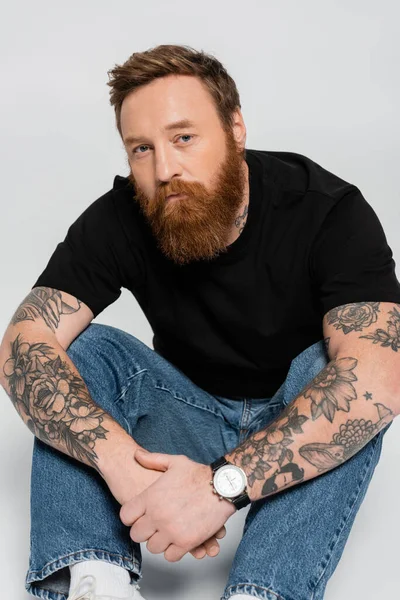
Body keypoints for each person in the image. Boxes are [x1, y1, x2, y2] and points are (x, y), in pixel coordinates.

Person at [1, 43, 400, 600]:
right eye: (142, 149)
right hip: (185, 419)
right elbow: (25, 339)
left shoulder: (327, 209)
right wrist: (123, 467)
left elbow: (380, 377)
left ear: (235, 128)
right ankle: (98, 580)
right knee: (80, 352)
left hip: (295, 422)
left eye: (183, 137)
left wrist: (219, 489)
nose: (165, 170)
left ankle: (259, 591)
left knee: (336, 371)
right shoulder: (123, 216)